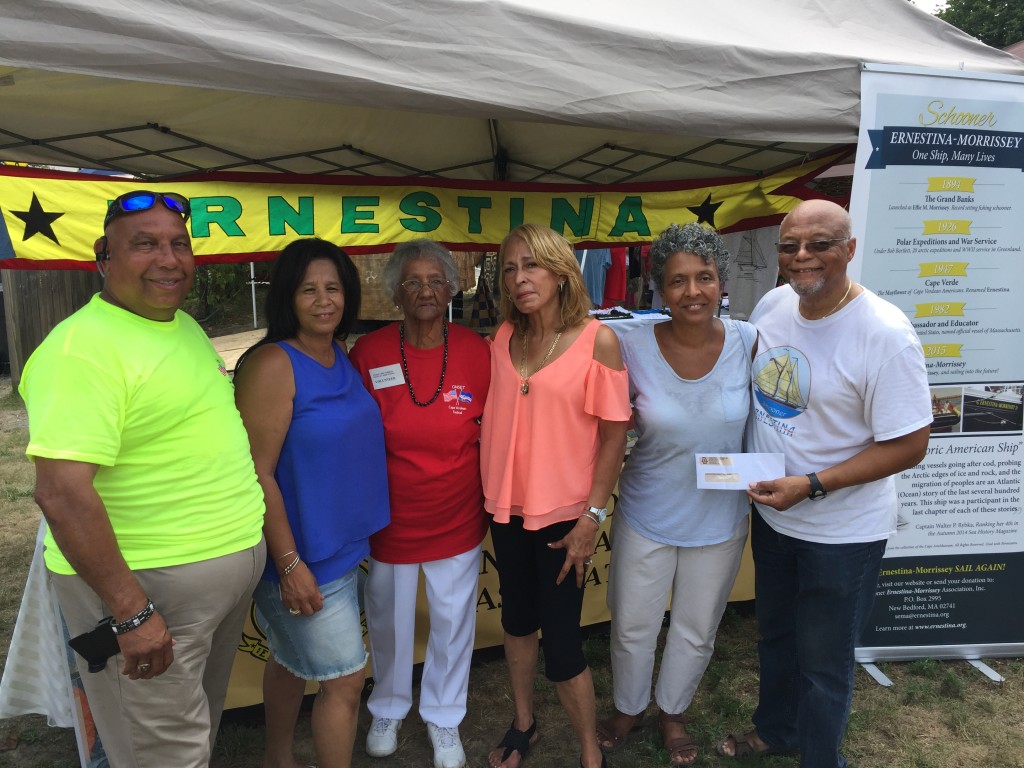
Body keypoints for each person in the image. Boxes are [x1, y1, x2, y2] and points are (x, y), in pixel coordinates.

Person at [20, 190, 267, 768]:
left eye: (179, 244)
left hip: (212, 583)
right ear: (104, 257)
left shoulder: (177, 324)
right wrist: (131, 612)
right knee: (158, 753)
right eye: (146, 245)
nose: (169, 258)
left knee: (191, 733)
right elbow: (61, 493)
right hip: (148, 593)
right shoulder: (80, 351)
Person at [717, 200, 931, 767]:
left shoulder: (886, 335)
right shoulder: (774, 303)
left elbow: (910, 445)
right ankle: (776, 730)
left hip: (842, 534)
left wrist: (811, 484)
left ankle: (818, 758)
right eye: (790, 246)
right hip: (775, 517)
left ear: (850, 250)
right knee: (776, 638)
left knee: (823, 662)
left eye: (819, 244)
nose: (802, 257)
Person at [598, 223, 754, 765]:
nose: (693, 292)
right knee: (633, 622)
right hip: (647, 510)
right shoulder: (626, 342)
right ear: (659, 291)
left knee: (695, 627)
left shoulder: (749, 341)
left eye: (705, 278)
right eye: (678, 281)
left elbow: (780, 420)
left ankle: (673, 713)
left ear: (721, 282)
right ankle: (628, 707)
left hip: (721, 517)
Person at [233, 238, 390, 768]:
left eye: (334, 288)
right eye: (309, 290)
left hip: (344, 548)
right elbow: (257, 473)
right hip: (301, 559)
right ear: (287, 297)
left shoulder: (338, 354)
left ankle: (278, 757)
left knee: (292, 660)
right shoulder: (274, 363)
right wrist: (289, 563)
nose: (324, 300)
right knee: (345, 682)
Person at [480, 224, 631, 768]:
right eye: (510, 269)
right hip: (507, 510)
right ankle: (524, 724)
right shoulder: (503, 338)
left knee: (564, 644)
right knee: (517, 622)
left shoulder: (598, 340)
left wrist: (593, 516)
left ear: (562, 271)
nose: (520, 279)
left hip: (566, 518)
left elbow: (614, 433)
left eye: (532, 265)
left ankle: (590, 750)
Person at [349, 239, 490, 768]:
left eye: (436, 281)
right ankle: (387, 704)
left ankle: (445, 716)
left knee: (454, 623)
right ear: (395, 293)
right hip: (391, 520)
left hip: (456, 515)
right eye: (413, 282)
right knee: (387, 621)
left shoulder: (477, 351)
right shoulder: (370, 353)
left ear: (453, 287)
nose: (426, 291)